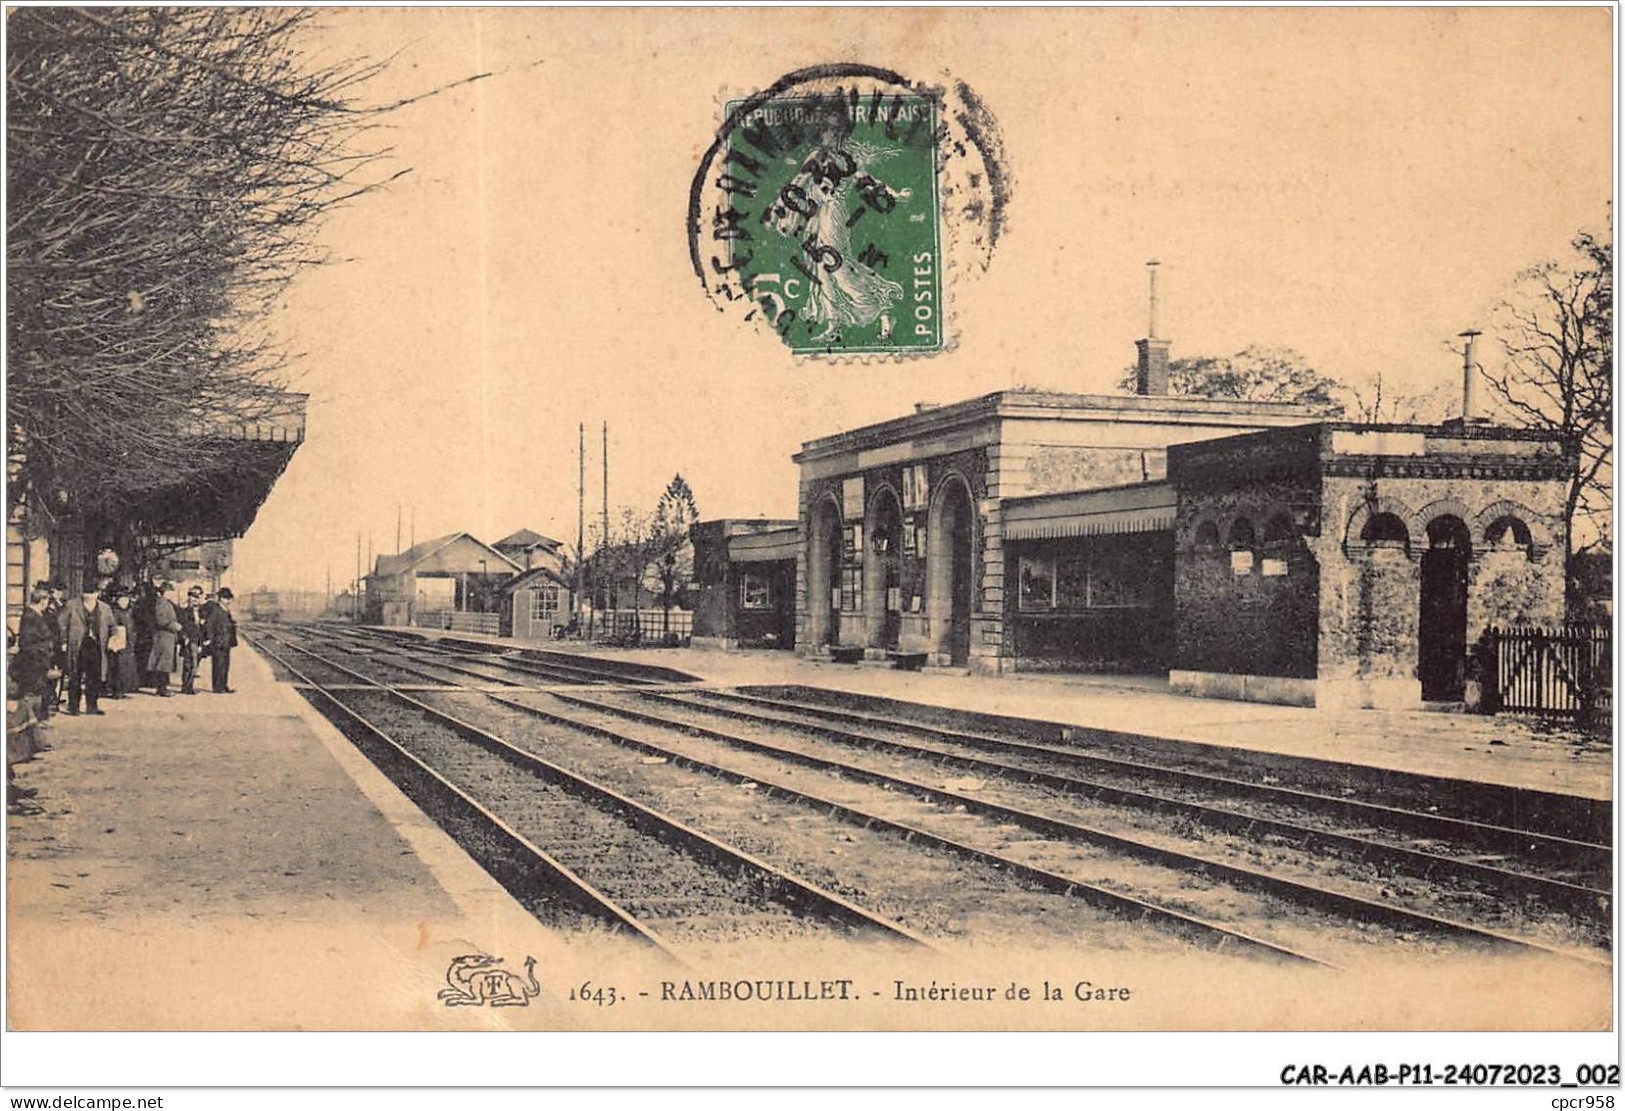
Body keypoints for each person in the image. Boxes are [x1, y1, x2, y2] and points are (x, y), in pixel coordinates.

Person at [60, 584, 113, 715]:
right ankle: (73, 707)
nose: (89, 596)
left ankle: (92, 706)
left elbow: (112, 626)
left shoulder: (105, 608)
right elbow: (61, 624)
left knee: (94, 677)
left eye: (92, 593)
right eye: (86, 593)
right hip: (78, 646)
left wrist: (114, 638)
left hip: (96, 646)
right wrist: (64, 642)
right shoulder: (72, 605)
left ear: (97, 593)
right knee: (75, 676)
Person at [14, 584, 59, 729]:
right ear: (43, 601)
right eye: (46, 601)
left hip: (38, 662)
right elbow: (28, 644)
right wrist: (43, 656)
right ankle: (29, 724)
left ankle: (35, 722)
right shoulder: (31, 617)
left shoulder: (34, 615)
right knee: (31, 694)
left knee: (37, 692)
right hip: (32, 664)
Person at [148, 582, 182, 697]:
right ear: (165, 592)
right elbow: (160, 620)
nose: (172, 593)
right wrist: (174, 625)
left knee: (165, 663)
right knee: (163, 664)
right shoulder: (161, 603)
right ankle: (161, 689)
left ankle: (163, 688)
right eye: (170, 591)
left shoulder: (166, 602)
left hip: (167, 637)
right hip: (163, 637)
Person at [204, 587, 238, 694]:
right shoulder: (216, 610)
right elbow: (209, 625)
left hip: (226, 642)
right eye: (226, 598)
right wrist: (209, 639)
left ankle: (224, 685)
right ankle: (218, 687)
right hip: (218, 642)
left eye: (229, 599)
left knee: (225, 665)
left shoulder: (225, 610)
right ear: (221, 599)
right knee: (218, 665)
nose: (228, 601)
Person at [40, 581, 66, 718]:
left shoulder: (62, 606)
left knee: (59, 672)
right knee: (48, 673)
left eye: (60, 591)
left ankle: (54, 698)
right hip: (50, 645)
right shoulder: (46, 609)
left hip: (59, 645)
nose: (58, 594)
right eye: (56, 591)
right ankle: (50, 699)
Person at [107, 591, 139, 698]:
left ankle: (123, 689)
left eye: (126, 600)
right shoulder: (115, 612)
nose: (124, 602)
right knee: (118, 667)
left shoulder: (129, 611)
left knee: (126, 668)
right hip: (119, 643)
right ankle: (116, 691)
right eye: (121, 600)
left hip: (128, 643)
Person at [178, 586, 206, 696]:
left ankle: (189, 685)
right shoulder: (184, 611)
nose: (195, 599)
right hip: (189, 641)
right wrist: (184, 638)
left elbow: (202, 628)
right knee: (188, 665)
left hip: (197, 641)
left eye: (197, 597)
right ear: (189, 598)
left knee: (194, 664)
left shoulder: (201, 612)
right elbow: (183, 627)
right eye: (192, 597)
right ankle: (186, 687)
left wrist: (202, 641)